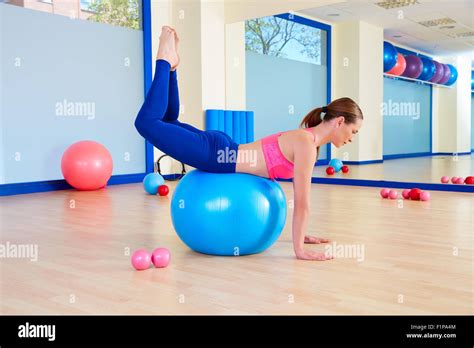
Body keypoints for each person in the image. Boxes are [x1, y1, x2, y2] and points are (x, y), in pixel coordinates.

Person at [135, 26, 364, 261]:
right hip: (216, 156)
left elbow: (301, 203)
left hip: (223, 148)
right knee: (146, 123)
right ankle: (163, 60)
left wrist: (303, 235)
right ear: (339, 121)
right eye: (353, 131)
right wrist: (300, 250)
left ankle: (172, 68)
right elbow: (303, 203)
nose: (352, 137)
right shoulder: (307, 145)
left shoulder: (306, 139)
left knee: (167, 121)